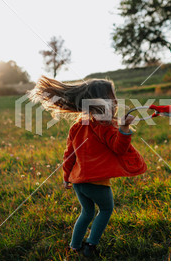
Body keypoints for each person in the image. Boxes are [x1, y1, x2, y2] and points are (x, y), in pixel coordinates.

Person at [30, 76, 146, 258]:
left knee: (87, 212)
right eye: (112, 97)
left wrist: (66, 175)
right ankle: (90, 245)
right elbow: (119, 148)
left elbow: (69, 154)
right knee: (106, 210)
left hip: (78, 182)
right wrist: (123, 129)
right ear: (100, 102)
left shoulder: (78, 126)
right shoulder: (104, 127)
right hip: (96, 182)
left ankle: (74, 246)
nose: (116, 101)